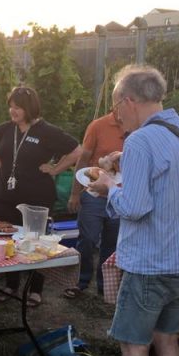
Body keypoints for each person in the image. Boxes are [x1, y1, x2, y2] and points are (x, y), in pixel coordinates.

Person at [88, 64, 179, 356]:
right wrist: (125, 165)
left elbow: (134, 207)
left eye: (116, 108)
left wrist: (108, 186)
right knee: (167, 338)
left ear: (129, 101)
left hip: (153, 265)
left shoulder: (141, 141)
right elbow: (168, 185)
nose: (117, 117)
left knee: (134, 345)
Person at [0, 86, 81, 305]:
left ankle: (36, 289)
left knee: (35, 242)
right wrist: (1, 166)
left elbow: (77, 150)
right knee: (7, 239)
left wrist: (55, 169)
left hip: (37, 198)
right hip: (5, 196)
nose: (13, 111)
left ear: (30, 108)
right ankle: (11, 284)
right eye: (11, 106)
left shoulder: (47, 131)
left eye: (18, 107)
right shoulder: (5, 129)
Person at [68, 109, 125, 295]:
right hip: (94, 195)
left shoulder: (137, 127)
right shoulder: (98, 126)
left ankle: (105, 285)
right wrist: (75, 194)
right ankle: (81, 280)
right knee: (88, 239)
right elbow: (83, 159)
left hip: (120, 196)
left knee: (111, 243)